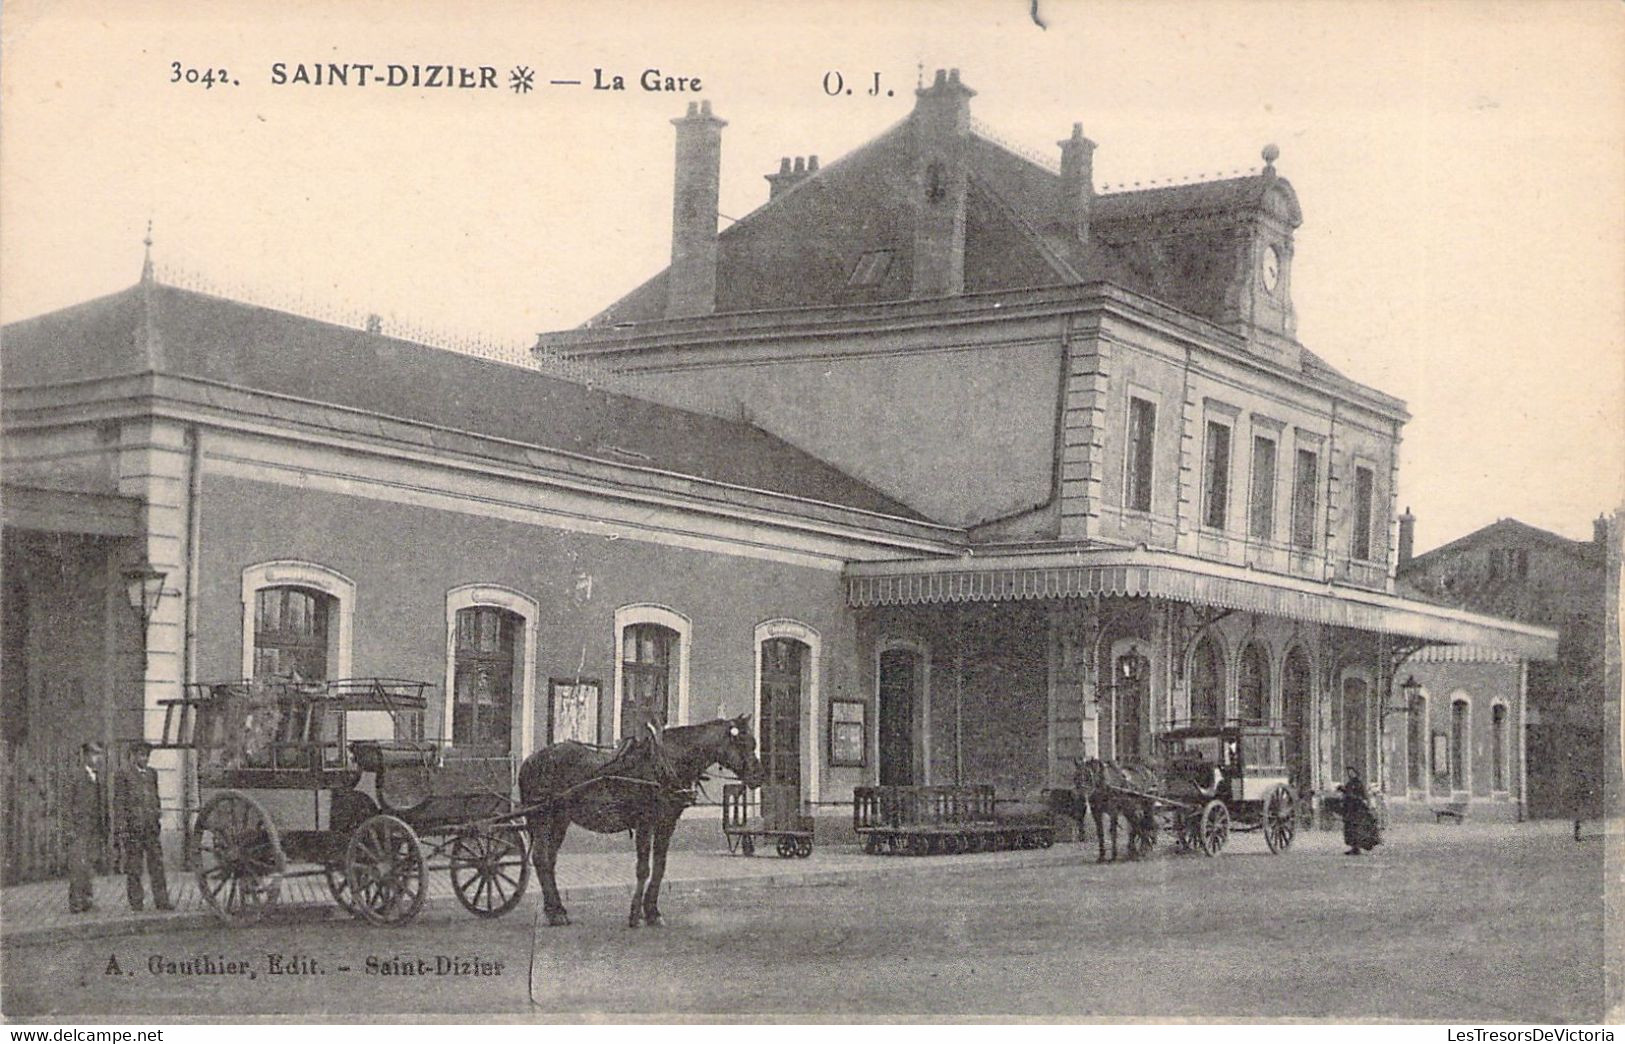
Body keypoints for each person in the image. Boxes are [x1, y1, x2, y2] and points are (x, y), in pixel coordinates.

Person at [114, 740, 172, 911]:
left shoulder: (152, 774)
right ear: (133, 756)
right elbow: (119, 803)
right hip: (133, 828)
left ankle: (162, 901)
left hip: (151, 828)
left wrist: (157, 814)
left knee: (157, 866)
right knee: (134, 867)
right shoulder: (123, 774)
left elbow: (156, 797)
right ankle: (136, 902)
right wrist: (122, 828)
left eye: (146, 755)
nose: (144, 759)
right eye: (141, 755)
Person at [66, 741, 105, 913]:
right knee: (78, 866)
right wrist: (70, 828)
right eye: (93, 754)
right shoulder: (76, 776)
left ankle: (87, 900)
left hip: (93, 828)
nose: (96, 758)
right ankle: (76, 902)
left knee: (89, 865)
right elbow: (67, 804)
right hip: (79, 828)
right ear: (85, 755)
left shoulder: (95, 777)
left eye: (98, 754)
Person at [1336, 767, 1382, 855]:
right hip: (1350, 810)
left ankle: (1357, 847)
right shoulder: (1349, 783)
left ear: (1356, 773)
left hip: (1358, 810)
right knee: (1350, 829)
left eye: (1352, 772)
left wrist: (1351, 796)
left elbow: (1362, 796)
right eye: (1349, 773)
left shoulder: (1359, 784)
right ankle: (1354, 847)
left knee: (1357, 828)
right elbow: (1347, 794)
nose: (1350, 774)